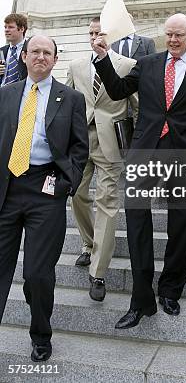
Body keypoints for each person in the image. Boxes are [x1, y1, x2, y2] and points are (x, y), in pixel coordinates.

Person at [93, 13, 186, 329]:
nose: (174, 40)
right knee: (136, 219)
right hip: (146, 149)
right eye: (170, 35)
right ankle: (140, 299)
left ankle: (171, 289)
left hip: (185, 153)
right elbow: (118, 89)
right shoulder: (148, 63)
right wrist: (103, 57)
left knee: (182, 222)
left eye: (180, 35)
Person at [0, 35, 88, 363]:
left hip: (45, 189)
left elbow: (80, 148)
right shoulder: (5, 95)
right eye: (34, 51)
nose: (40, 57)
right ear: (23, 56)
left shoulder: (72, 99)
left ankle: (41, 334)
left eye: (47, 52)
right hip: (7, 189)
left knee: (38, 273)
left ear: (55, 59)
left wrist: (66, 184)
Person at [66, 17, 137, 301]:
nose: (95, 37)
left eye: (101, 33)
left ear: (111, 37)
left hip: (111, 142)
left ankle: (98, 271)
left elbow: (137, 106)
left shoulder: (127, 65)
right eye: (92, 33)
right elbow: (67, 103)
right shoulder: (76, 66)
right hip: (80, 141)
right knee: (78, 194)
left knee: (106, 201)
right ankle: (89, 243)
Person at [0, 13, 28, 86]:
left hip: (21, 93)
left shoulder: (30, 49)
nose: (6, 30)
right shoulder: (1, 51)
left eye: (11, 27)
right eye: (5, 27)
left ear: (22, 29)